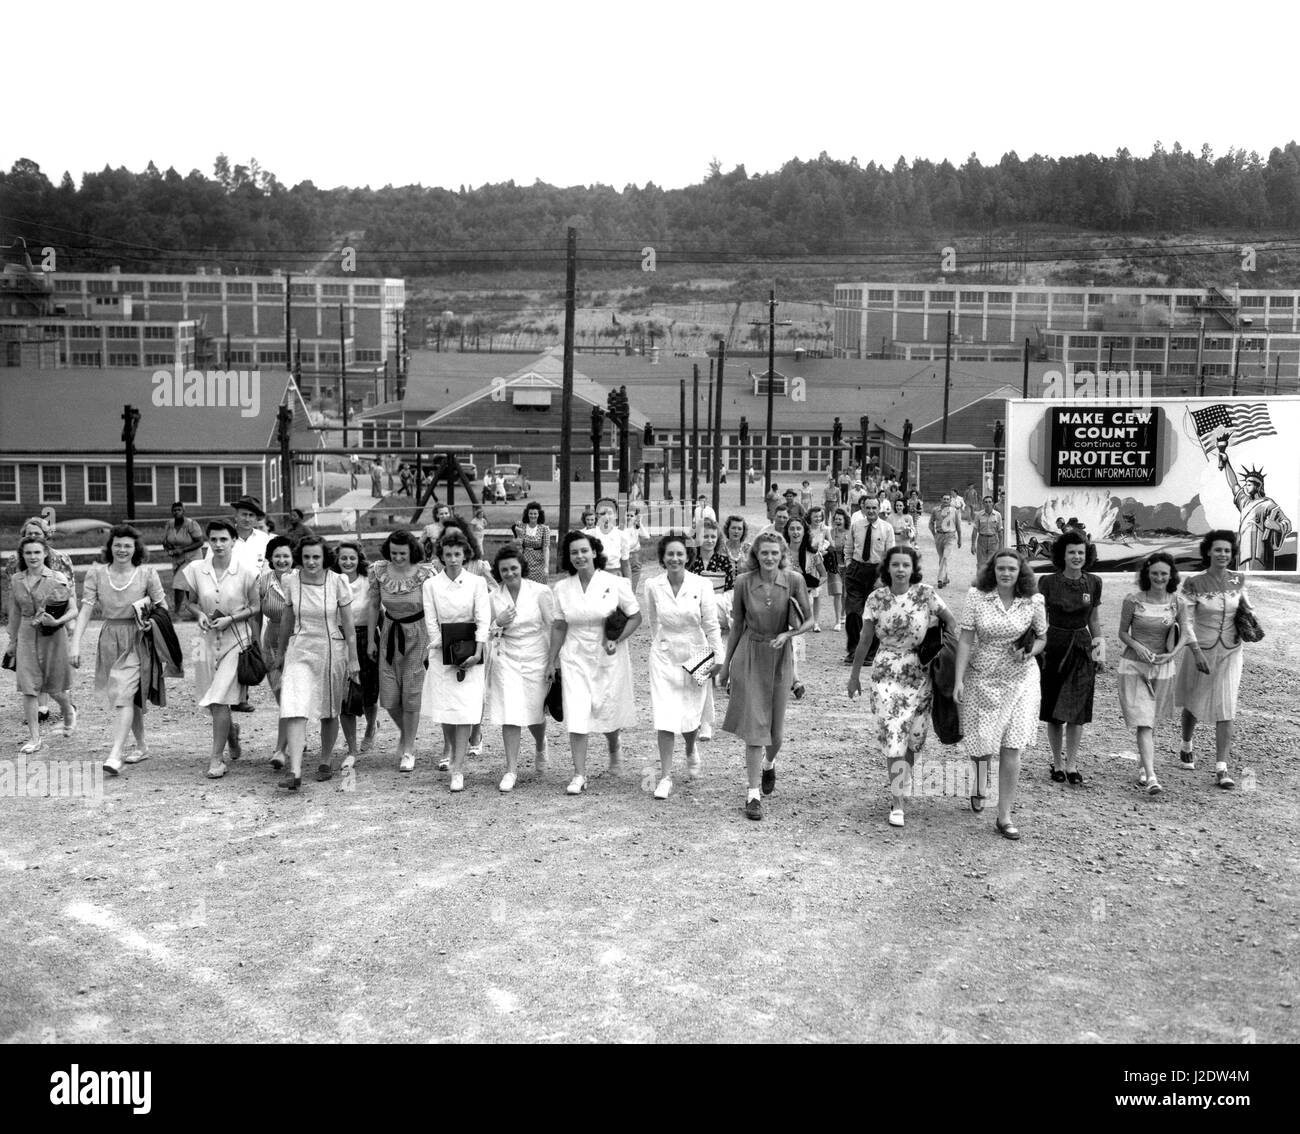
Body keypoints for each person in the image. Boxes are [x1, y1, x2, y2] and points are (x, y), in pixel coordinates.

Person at [847, 545, 957, 827]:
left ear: (913, 568)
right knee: (894, 733)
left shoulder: (926, 594)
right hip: (886, 671)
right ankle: (897, 802)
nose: (900, 570)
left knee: (916, 736)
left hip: (919, 670)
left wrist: (944, 651)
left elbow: (952, 621)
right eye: (895, 565)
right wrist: (854, 675)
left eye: (905, 565)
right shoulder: (876, 599)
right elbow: (864, 640)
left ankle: (904, 778)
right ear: (888, 568)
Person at [719, 531, 813, 820]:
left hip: (780, 653)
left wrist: (789, 633)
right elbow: (736, 627)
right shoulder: (743, 582)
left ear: (782, 554)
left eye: (774, 553)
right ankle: (752, 793)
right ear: (755, 555)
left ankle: (769, 764)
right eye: (764, 553)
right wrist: (725, 666)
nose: (769, 558)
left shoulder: (794, 580)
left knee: (776, 733)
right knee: (754, 729)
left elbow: (810, 620)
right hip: (750, 651)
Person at [953, 549, 1046, 840]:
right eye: (1001, 568)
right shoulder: (976, 597)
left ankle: (1004, 815)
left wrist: (1030, 650)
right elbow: (966, 639)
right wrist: (958, 680)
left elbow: (1042, 636)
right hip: (983, 677)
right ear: (992, 570)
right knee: (983, 743)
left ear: (1021, 573)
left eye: (1012, 569)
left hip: (1022, 679)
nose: (1006, 573)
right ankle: (980, 785)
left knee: (1013, 744)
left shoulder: (1034, 600)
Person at [545, 530, 642, 795]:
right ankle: (579, 774)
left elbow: (635, 617)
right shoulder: (562, 588)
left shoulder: (615, 582)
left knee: (605, 707)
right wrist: (551, 660)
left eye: (584, 550)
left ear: (594, 552)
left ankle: (614, 746)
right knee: (577, 712)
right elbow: (559, 625)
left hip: (607, 654)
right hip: (574, 654)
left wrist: (617, 639)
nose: (579, 556)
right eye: (574, 552)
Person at [70, 525, 168, 775]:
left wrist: (156, 630)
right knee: (127, 695)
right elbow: (86, 610)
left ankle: (115, 754)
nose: (122, 549)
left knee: (125, 694)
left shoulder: (147, 573)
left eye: (127, 545)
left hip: (139, 639)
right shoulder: (97, 574)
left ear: (135, 549)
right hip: (110, 638)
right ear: (110, 547)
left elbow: (162, 608)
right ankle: (143, 745)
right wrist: (75, 643)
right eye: (117, 545)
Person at [176, 520, 262, 780]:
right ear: (208, 542)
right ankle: (231, 733)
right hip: (204, 641)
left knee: (219, 697)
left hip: (236, 639)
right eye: (214, 540)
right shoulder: (196, 569)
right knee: (212, 701)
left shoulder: (246, 571)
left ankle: (216, 758)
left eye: (224, 539)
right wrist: (199, 613)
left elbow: (256, 607)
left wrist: (231, 619)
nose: (218, 544)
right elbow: (188, 603)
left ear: (233, 541)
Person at [1174, 530, 1256, 788]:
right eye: (1218, 550)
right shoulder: (1193, 582)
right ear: (1208, 551)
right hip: (1201, 649)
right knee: (1193, 700)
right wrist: (1196, 650)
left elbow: (1247, 608)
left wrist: (1250, 621)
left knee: (1227, 704)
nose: (1223, 554)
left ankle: (1221, 768)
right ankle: (1186, 743)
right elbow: (1184, 620)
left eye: (1227, 551)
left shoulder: (1238, 580)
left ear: (1232, 555)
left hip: (1231, 651)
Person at [644, 533, 724, 799]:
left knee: (690, 716)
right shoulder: (652, 585)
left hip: (697, 651)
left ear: (687, 557)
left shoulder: (702, 584)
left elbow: (711, 625)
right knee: (664, 716)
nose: (675, 559)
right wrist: (661, 646)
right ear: (662, 558)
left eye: (680, 554)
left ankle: (690, 749)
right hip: (665, 654)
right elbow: (654, 623)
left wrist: (718, 657)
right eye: (670, 554)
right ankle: (665, 776)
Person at [276, 536, 358, 788]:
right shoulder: (290, 581)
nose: (311, 562)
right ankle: (295, 771)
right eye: (307, 557)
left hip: (330, 648)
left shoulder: (337, 582)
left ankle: (325, 760)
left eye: (316, 557)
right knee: (293, 706)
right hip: (299, 649)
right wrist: (280, 653)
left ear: (324, 558)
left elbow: (349, 626)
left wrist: (353, 659)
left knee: (328, 709)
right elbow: (286, 620)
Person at [421, 528, 491, 792]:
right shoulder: (431, 585)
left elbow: (483, 619)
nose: (452, 559)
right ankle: (451, 753)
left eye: (457, 554)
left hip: (470, 653)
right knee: (446, 711)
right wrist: (441, 645)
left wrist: (477, 652)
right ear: (440, 556)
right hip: (441, 652)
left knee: (464, 711)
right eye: (448, 554)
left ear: (465, 556)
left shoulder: (477, 583)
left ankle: (458, 768)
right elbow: (430, 619)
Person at [1117, 553, 1190, 796]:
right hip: (1134, 666)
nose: (1159, 578)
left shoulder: (1177, 602)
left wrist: (1171, 656)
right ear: (1147, 574)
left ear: (1171, 577)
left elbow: (1185, 635)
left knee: (1152, 719)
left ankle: (1143, 764)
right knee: (1144, 721)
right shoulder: (1133, 600)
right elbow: (1122, 633)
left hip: (1163, 667)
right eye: (1155, 573)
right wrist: (1139, 646)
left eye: (1164, 574)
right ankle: (1151, 776)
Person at [1037, 530, 1103, 786]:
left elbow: (1094, 620)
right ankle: (1057, 762)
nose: (1076, 557)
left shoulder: (1094, 582)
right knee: (1054, 709)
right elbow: (1039, 618)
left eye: (1081, 553)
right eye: (1072, 552)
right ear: (1062, 556)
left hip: (1082, 647)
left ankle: (1073, 763)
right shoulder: (1048, 582)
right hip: (1053, 646)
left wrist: (1099, 652)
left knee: (1078, 710)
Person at [486, 544, 554, 791]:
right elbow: (486, 632)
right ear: (498, 571)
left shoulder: (540, 591)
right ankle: (511, 770)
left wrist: (553, 661)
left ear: (521, 568)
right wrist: (497, 622)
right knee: (510, 712)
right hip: (506, 656)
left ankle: (540, 744)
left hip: (536, 653)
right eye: (504, 570)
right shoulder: (493, 597)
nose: (510, 573)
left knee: (535, 711)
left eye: (514, 568)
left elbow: (553, 626)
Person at [367, 530, 435, 772]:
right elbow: (374, 604)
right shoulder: (379, 571)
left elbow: (435, 607)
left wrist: (434, 639)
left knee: (412, 691)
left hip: (418, 633)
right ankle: (407, 734)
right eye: (394, 552)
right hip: (389, 632)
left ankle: (408, 750)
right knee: (389, 695)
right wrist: (371, 641)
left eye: (402, 553)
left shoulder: (425, 573)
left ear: (411, 551)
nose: (397, 557)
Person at [5, 535, 78, 753]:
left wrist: (58, 621)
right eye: (28, 553)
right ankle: (35, 739)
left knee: (55, 687)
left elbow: (73, 610)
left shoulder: (58, 577)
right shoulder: (16, 579)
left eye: (37, 552)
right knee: (29, 687)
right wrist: (12, 641)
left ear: (45, 553)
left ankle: (68, 710)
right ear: (22, 555)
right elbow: (15, 612)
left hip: (52, 635)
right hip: (26, 634)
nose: (33, 557)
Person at [336, 541, 379, 765]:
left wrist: (372, 641)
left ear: (358, 559)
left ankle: (371, 726)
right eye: (343, 558)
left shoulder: (367, 581)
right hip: (339, 640)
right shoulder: (332, 581)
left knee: (369, 693)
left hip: (365, 638)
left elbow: (374, 611)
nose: (348, 562)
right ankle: (351, 746)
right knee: (345, 696)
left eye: (352, 558)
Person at [1216, 446, 1292, 571]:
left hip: (1260, 552)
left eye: (1249, 484)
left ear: (1258, 486)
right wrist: (1226, 462)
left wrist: (1275, 526)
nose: (1245, 486)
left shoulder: (1268, 504)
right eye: (1245, 483)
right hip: (1243, 550)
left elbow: (1287, 524)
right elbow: (1234, 485)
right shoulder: (1244, 502)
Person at [258, 536, 297, 769]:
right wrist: (255, 641)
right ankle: (294, 735)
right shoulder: (263, 582)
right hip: (271, 641)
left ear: (293, 558)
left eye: (286, 556)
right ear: (271, 558)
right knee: (279, 694)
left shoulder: (302, 580)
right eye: (278, 556)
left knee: (289, 698)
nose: (282, 560)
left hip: (296, 640)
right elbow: (255, 614)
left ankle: (280, 750)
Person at [843, 496, 894, 663]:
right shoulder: (856, 526)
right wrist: (849, 564)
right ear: (863, 508)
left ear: (879, 508)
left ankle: (871, 654)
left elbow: (890, 555)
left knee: (874, 615)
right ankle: (853, 651)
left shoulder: (886, 528)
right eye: (868, 508)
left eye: (874, 508)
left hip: (877, 572)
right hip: (857, 570)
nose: (871, 511)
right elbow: (849, 548)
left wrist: (883, 578)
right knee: (852, 612)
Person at [162, 502, 205, 614]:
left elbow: (200, 542)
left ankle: (176, 612)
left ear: (183, 511)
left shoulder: (191, 524)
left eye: (179, 510)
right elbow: (165, 541)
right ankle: (195, 610)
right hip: (178, 559)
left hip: (192, 558)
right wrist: (168, 549)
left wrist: (182, 550)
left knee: (179, 584)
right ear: (172, 512)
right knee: (187, 586)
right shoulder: (169, 524)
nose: (177, 512)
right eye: (174, 510)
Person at [584, 498, 631, 581]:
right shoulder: (589, 535)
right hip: (595, 578)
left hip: (615, 577)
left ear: (615, 515)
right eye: (602, 514)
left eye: (610, 513)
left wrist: (628, 587)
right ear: (597, 516)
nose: (606, 517)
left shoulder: (622, 535)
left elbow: (625, 564)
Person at [928, 492, 963, 588]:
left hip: (950, 536)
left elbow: (958, 526)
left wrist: (960, 539)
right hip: (939, 536)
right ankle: (945, 578)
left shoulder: (954, 511)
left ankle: (940, 579)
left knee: (945, 557)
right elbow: (931, 523)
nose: (946, 501)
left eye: (948, 499)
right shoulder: (935, 510)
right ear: (941, 500)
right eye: (944, 499)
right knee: (942, 558)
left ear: (950, 500)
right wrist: (934, 534)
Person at [512, 501, 551, 581]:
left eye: (535, 514)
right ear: (527, 514)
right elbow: (516, 542)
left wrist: (546, 567)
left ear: (539, 514)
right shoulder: (521, 526)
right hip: (524, 561)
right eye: (531, 513)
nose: (533, 516)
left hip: (539, 563)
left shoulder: (544, 529)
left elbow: (546, 548)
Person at [826, 507, 850, 631]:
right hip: (834, 567)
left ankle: (843, 614)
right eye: (836, 519)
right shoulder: (830, 533)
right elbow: (826, 547)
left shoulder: (850, 533)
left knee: (845, 593)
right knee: (838, 593)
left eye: (840, 519)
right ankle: (837, 621)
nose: (837, 521)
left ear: (845, 520)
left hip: (847, 567)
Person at [971, 495, 1003, 573]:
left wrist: (1001, 546)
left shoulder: (997, 515)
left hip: (993, 540)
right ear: (983, 504)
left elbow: (1000, 531)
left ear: (992, 503)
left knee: (992, 563)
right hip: (982, 540)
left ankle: (990, 583)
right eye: (986, 502)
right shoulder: (978, 515)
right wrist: (973, 545)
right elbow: (975, 530)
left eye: (989, 502)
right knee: (981, 564)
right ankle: (980, 582)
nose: (988, 504)